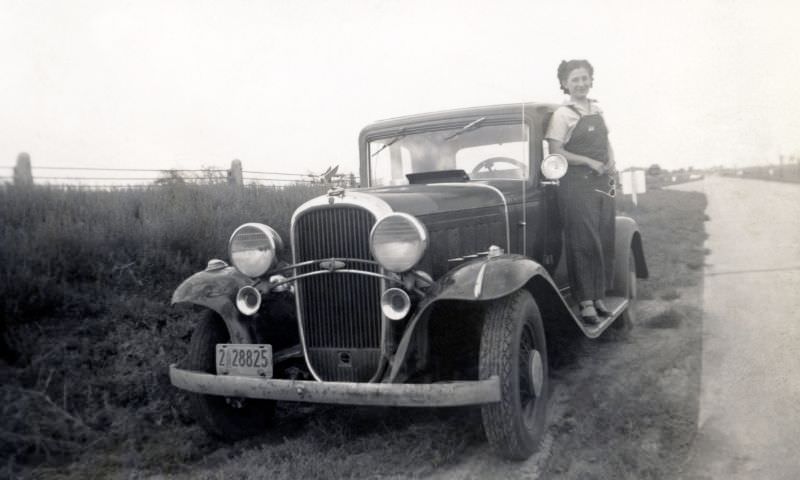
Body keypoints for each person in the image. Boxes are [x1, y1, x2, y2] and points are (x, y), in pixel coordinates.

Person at [545, 59, 616, 325]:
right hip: (576, 184)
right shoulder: (563, 114)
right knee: (583, 240)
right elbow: (556, 152)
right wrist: (588, 162)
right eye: (575, 79)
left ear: (591, 80)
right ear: (565, 84)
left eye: (585, 78)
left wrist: (612, 164)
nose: (581, 84)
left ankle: (599, 297)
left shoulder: (597, 109)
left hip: (603, 182)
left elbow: (607, 143)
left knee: (604, 236)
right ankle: (585, 301)